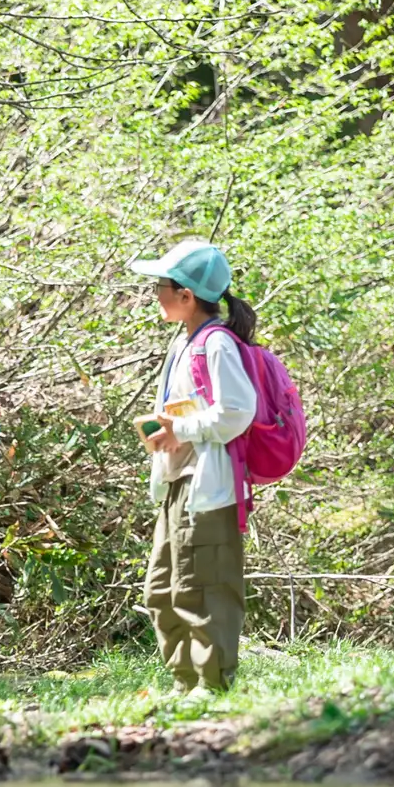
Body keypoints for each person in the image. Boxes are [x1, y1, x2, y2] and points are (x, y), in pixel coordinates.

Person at [130, 239, 257, 693]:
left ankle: (211, 684)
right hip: (178, 482)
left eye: (161, 286)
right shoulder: (183, 343)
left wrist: (180, 430)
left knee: (206, 590)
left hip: (209, 486)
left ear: (186, 295)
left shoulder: (216, 343)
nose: (156, 295)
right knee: (163, 591)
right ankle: (186, 683)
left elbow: (236, 411)